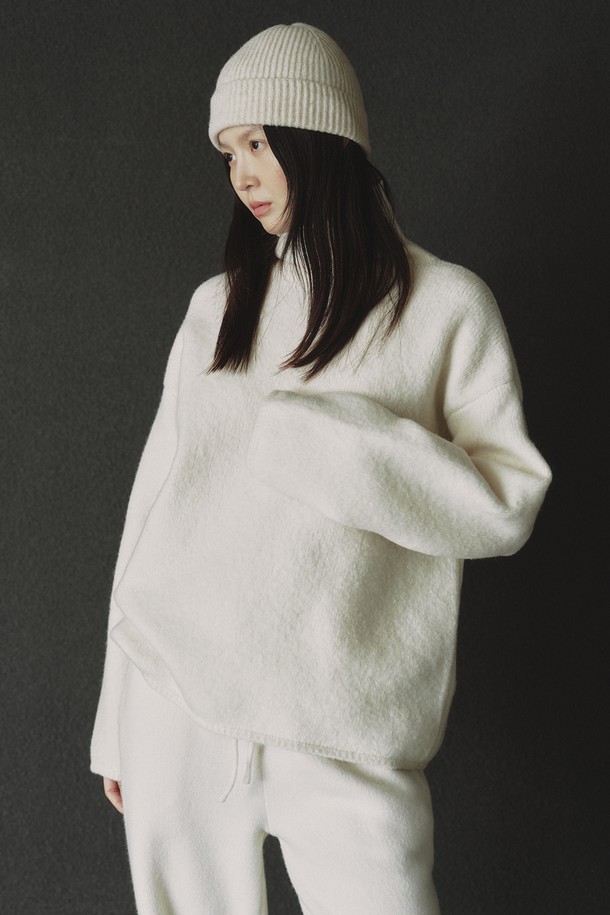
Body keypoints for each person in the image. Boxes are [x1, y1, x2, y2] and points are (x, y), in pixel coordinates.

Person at [90, 22, 552, 915]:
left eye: (258, 143)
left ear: (321, 135)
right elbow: (152, 510)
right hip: (180, 709)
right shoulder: (217, 308)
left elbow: (507, 500)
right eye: (229, 152)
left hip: (345, 729)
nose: (242, 174)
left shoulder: (446, 307)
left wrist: (338, 446)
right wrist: (116, 722)